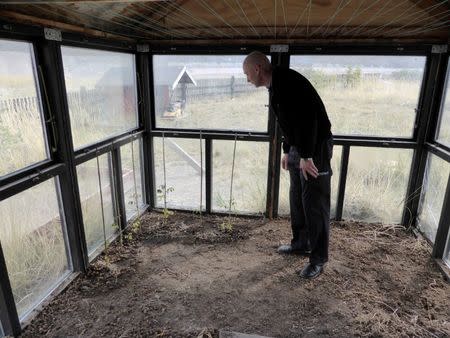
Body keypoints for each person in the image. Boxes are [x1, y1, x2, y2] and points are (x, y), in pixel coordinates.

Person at [243, 51, 333, 279]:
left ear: (257, 69)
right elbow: (288, 122)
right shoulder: (275, 85)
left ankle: (318, 258)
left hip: (315, 147)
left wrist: (308, 155)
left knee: (315, 201)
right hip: (299, 148)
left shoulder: (288, 82)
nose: (246, 79)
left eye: (247, 74)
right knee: (297, 197)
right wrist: (287, 151)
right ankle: (301, 243)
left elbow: (309, 119)